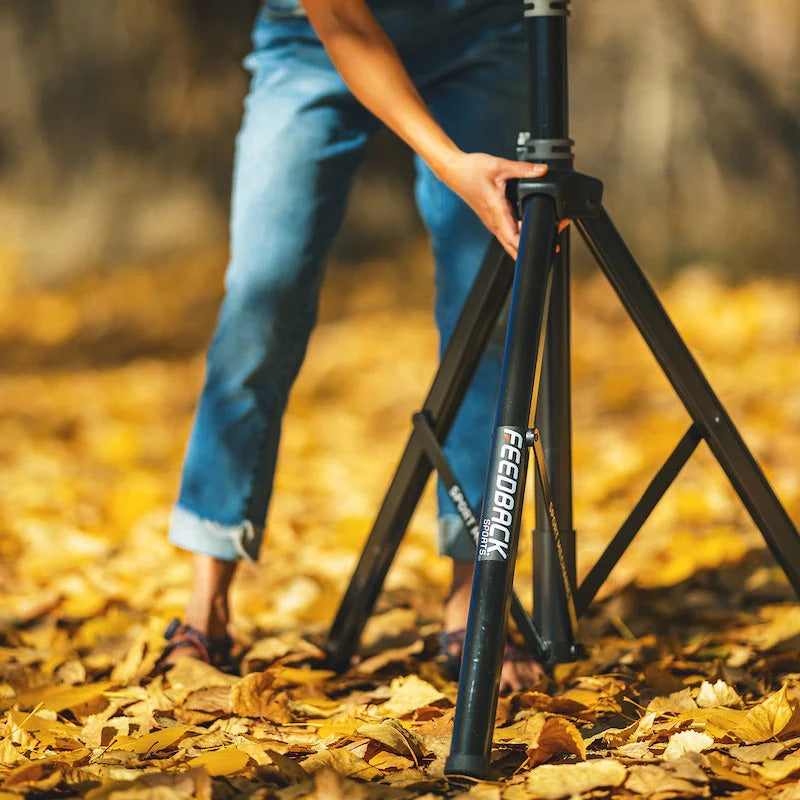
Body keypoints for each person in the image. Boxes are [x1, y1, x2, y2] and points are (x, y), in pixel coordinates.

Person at [160, 0, 547, 691]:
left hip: (478, 30)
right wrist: (451, 161)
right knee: (262, 296)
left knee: (486, 309)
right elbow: (341, 17)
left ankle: (473, 601)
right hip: (314, 39)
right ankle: (205, 606)